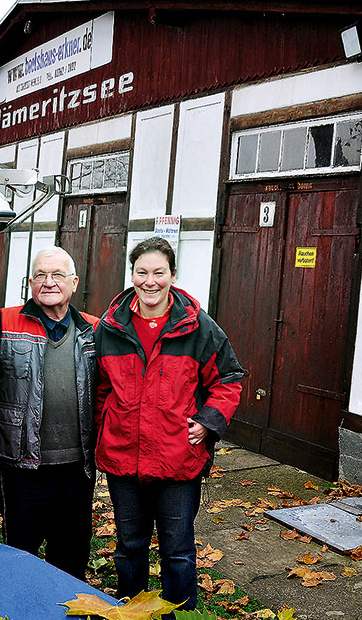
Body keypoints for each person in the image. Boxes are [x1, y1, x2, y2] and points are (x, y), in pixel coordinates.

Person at [94, 236, 244, 611]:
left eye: (159, 272)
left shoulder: (198, 328)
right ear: (132, 275)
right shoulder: (111, 327)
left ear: (172, 275)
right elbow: (99, 390)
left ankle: (180, 611)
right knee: (130, 545)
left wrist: (209, 422)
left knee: (177, 548)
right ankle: (132, 612)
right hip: (123, 459)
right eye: (141, 272)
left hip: (177, 459)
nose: (150, 281)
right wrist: (103, 430)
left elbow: (228, 379)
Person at [0, 246, 98, 579]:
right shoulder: (4, 323)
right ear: (30, 282)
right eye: (41, 275)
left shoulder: (92, 330)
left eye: (58, 275)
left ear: (74, 282)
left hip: (78, 470)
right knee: (21, 555)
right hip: (23, 467)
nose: (49, 282)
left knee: (72, 557)